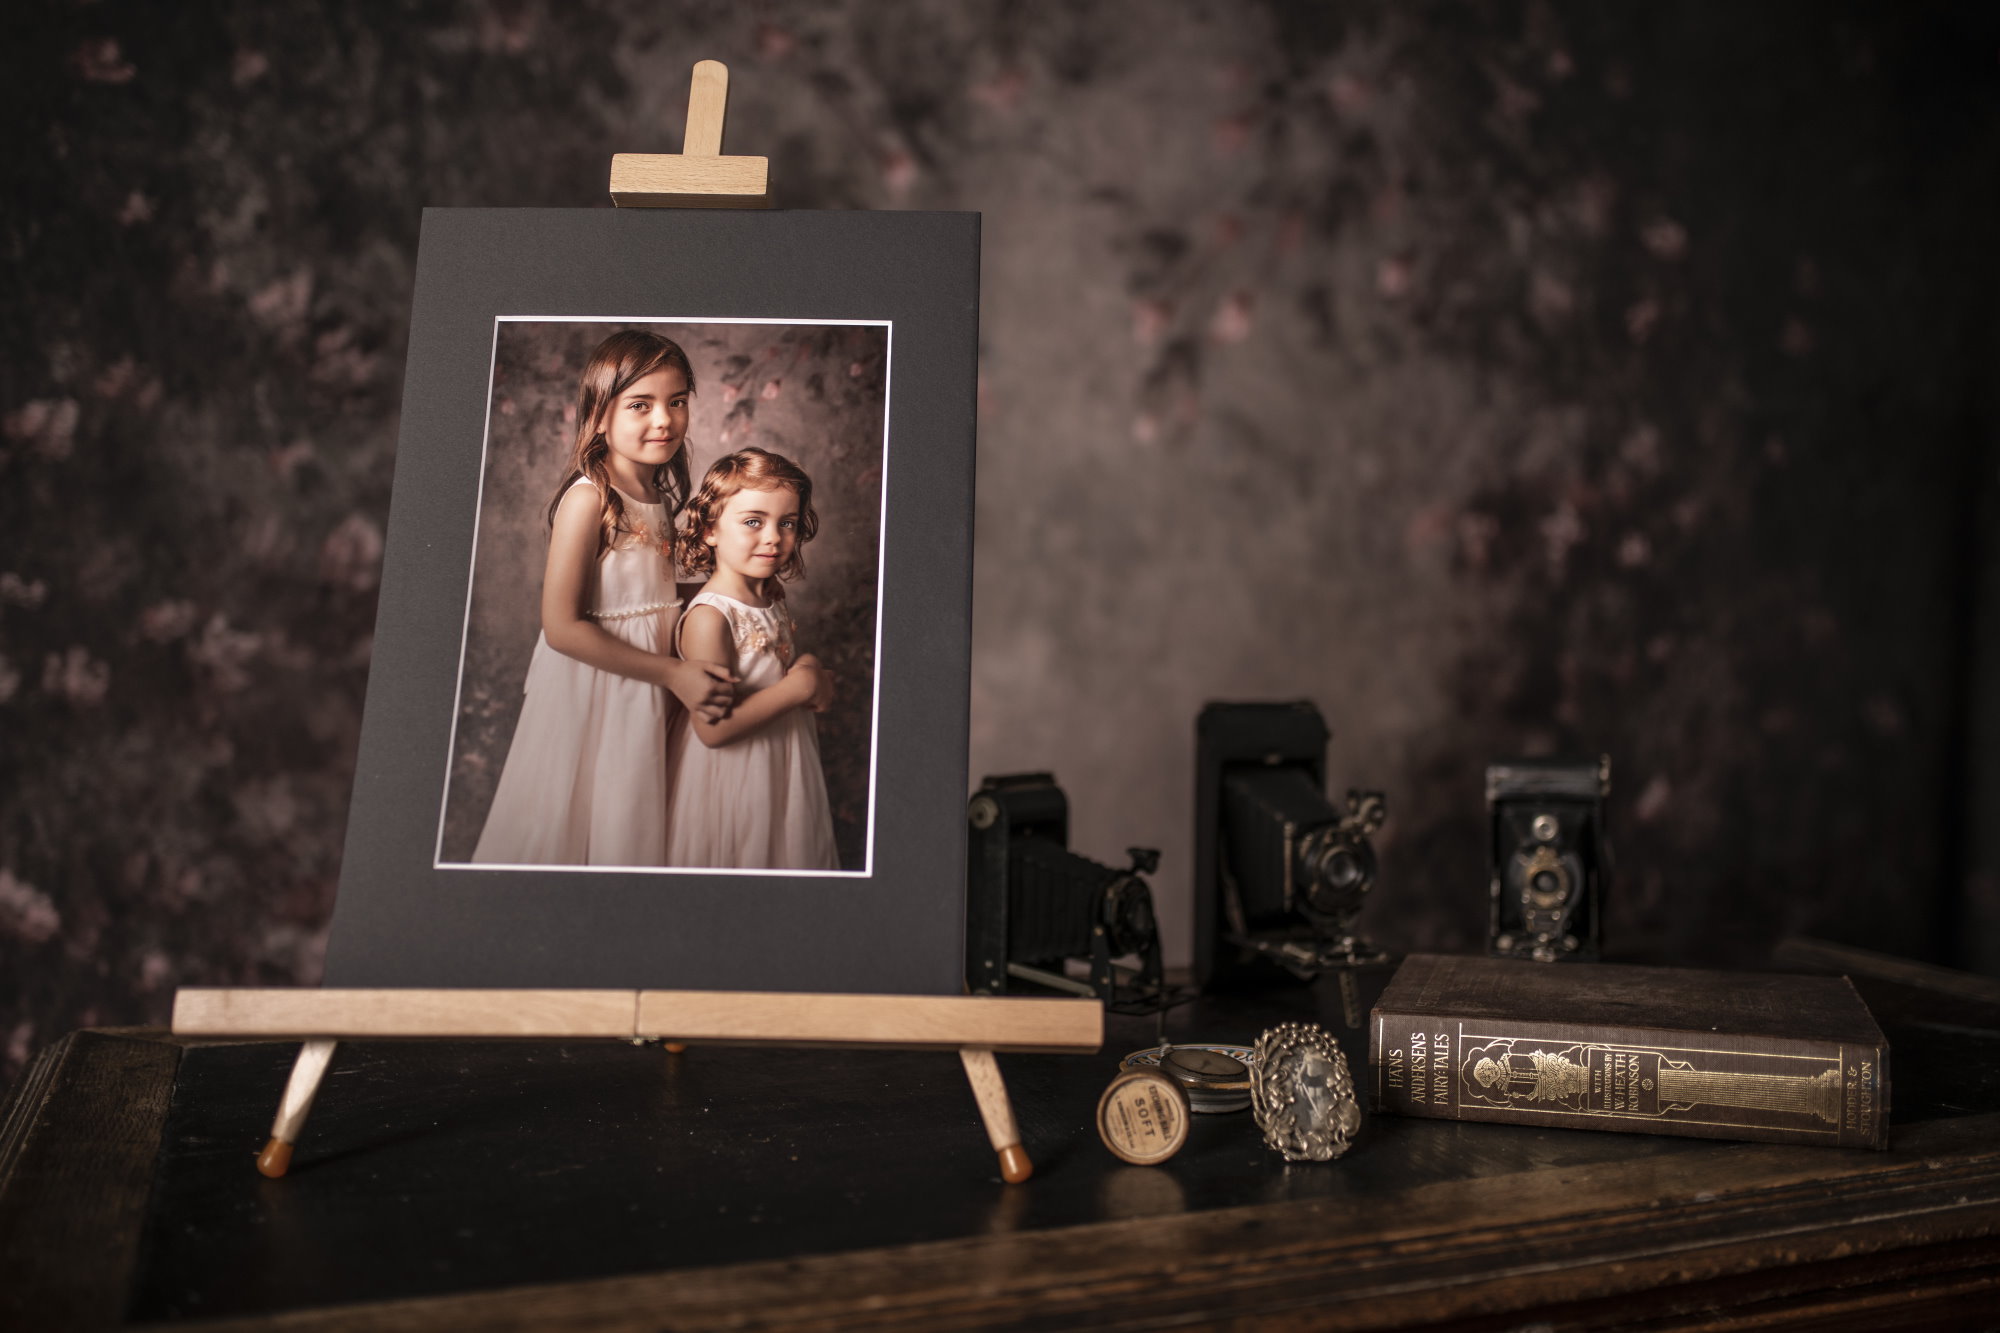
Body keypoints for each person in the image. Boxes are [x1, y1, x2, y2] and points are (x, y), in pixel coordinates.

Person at [472, 330, 734, 866]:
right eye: (641, 404)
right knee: (587, 819)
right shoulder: (589, 498)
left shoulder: (655, 495)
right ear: (600, 414)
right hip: (599, 690)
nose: (664, 420)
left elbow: (645, 597)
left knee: (630, 820)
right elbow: (562, 627)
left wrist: (723, 595)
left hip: (644, 687)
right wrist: (671, 674)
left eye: (677, 401)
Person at [663, 448, 840, 871]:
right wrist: (798, 688)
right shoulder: (710, 617)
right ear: (709, 529)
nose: (774, 538)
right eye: (753, 522)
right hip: (733, 775)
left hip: (780, 762)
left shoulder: (770, 594)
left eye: (788, 523)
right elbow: (713, 731)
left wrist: (808, 664)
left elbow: (778, 664)